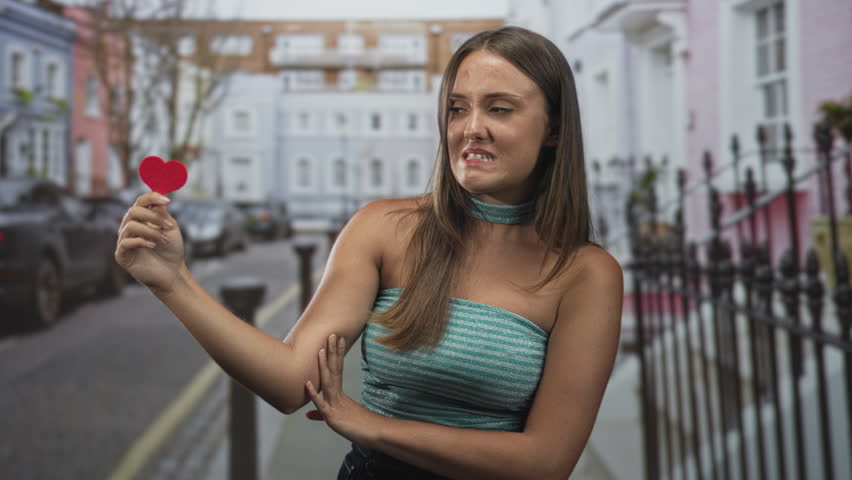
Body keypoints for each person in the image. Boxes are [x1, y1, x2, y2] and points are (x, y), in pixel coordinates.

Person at [116, 26, 622, 480]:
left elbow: (545, 462)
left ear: (554, 129)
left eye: (500, 108)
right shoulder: (384, 229)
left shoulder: (586, 274)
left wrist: (372, 427)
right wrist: (173, 282)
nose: (471, 128)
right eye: (457, 108)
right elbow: (292, 382)